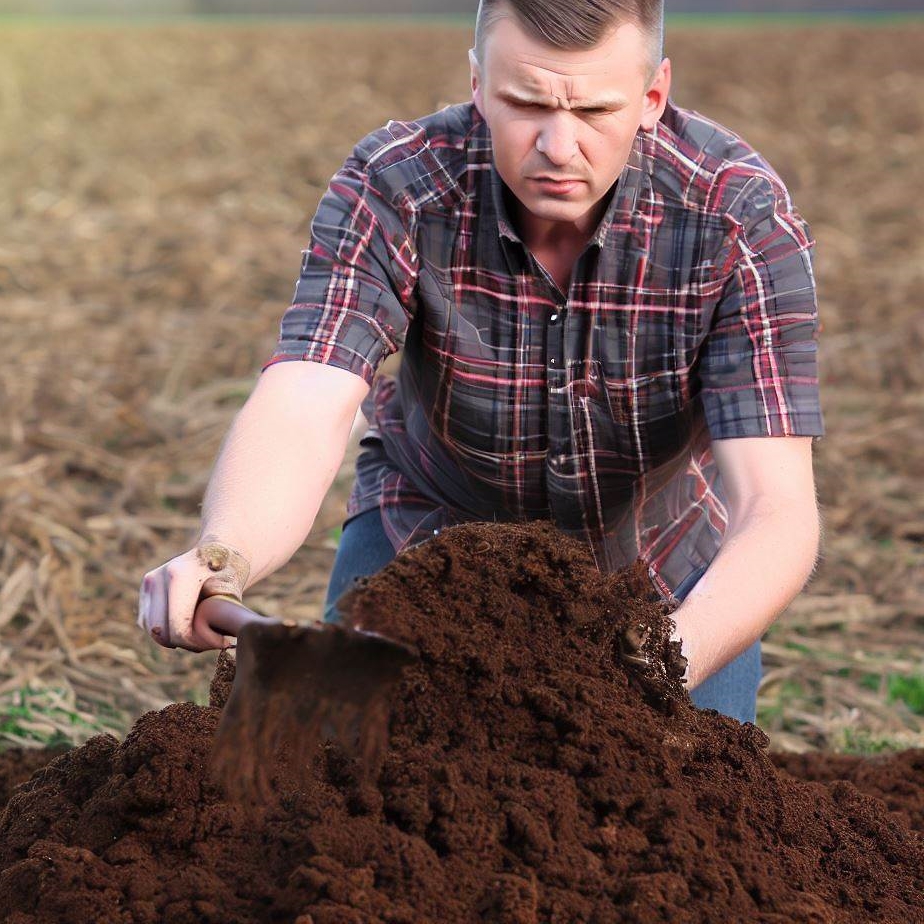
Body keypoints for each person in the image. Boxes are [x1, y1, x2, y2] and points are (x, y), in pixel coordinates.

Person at [137, 0, 823, 725]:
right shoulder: (398, 184)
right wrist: (226, 553)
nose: (558, 146)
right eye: (525, 103)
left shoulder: (737, 216)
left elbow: (773, 508)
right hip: (427, 543)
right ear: (476, 83)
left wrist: (659, 661)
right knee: (343, 788)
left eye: (594, 110)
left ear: (653, 97)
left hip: (662, 571)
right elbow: (308, 397)